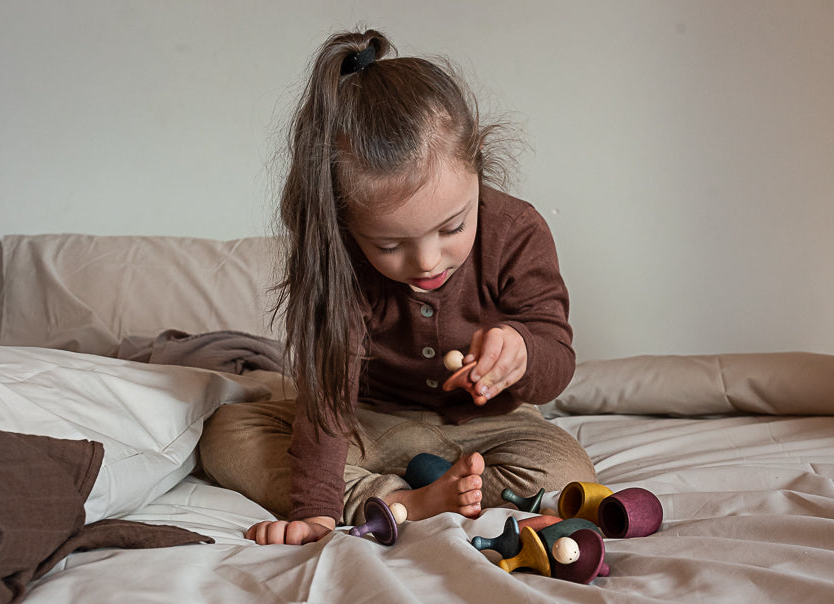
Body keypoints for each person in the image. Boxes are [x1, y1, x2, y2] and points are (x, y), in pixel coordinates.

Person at [199, 28, 595, 545]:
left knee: (565, 472)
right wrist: (316, 512)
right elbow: (329, 404)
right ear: (346, 224)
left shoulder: (516, 230)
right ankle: (401, 501)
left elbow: (556, 362)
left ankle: (402, 501)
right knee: (226, 437)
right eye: (389, 245)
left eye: (452, 228)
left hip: (492, 425)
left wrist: (522, 353)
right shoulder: (336, 260)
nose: (427, 261)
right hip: (370, 421)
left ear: (477, 168)